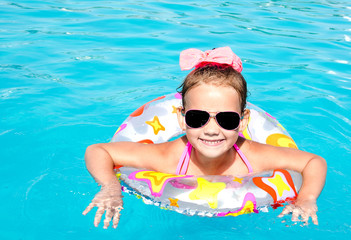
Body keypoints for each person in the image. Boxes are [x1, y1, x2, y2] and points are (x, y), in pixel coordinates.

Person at [83, 47, 327, 229]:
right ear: (181, 119)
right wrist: (110, 187)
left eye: (227, 119)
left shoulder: (254, 155)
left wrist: (306, 198)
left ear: (243, 121)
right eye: (198, 117)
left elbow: (313, 162)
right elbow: (98, 151)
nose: (212, 129)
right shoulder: (168, 156)